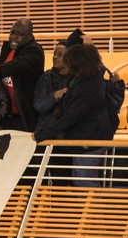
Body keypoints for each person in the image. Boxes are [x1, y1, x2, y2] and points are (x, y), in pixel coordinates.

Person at [34, 44, 114, 187]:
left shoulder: (87, 87)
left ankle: (93, 210)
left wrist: (42, 134)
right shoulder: (91, 79)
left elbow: (71, 117)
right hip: (89, 139)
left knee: (84, 181)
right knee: (81, 180)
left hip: (89, 141)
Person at [0, 18, 44, 132]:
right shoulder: (7, 48)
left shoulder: (35, 50)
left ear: (30, 36)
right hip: (6, 115)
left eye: (20, 34)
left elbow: (18, 64)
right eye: (12, 32)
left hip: (24, 116)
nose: (14, 37)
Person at [33, 41, 71, 184]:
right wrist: (55, 96)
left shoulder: (76, 79)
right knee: (39, 180)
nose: (55, 57)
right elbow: (38, 106)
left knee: (62, 181)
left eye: (60, 55)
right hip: (46, 134)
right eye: (55, 54)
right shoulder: (46, 77)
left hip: (66, 138)